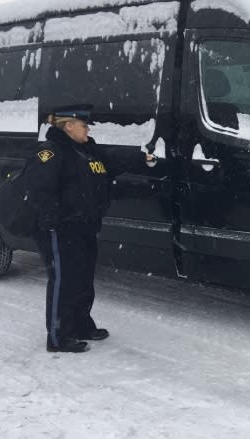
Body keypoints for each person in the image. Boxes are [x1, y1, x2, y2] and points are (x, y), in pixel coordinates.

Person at [28, 105, 155, 353]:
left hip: (84, 227)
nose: (88, 130)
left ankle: (82, 325)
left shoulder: (87, 151)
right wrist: (52, 219)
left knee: (83, 278)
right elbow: (39, 189)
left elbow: (112, 160)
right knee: (63, 280)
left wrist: (141, 157)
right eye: (84, 126)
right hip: (60, 229)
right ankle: (58, 337)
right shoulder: (51, 153)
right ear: (69, 126)